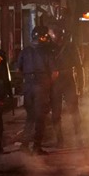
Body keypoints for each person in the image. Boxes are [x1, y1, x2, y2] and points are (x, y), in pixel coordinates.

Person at [17, 26, 58, 155]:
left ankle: (24, 145)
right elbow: (55, 73)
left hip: (28, 86)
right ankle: (36, 147)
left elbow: (19, 70)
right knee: (40, 118)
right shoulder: (47, 52)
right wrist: (49, 85)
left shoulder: (25, 51)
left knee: (30, 117)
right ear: (43, 37)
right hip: (41, 86)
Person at [47, 22, 84, 148]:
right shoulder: (49, 47)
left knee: (74, 111)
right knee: (56, 113)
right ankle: (59, 140)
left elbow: (79, 67)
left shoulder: (70, 47)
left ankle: (79, 139)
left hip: (68, 80)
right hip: (55, 81)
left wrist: (81, 85)